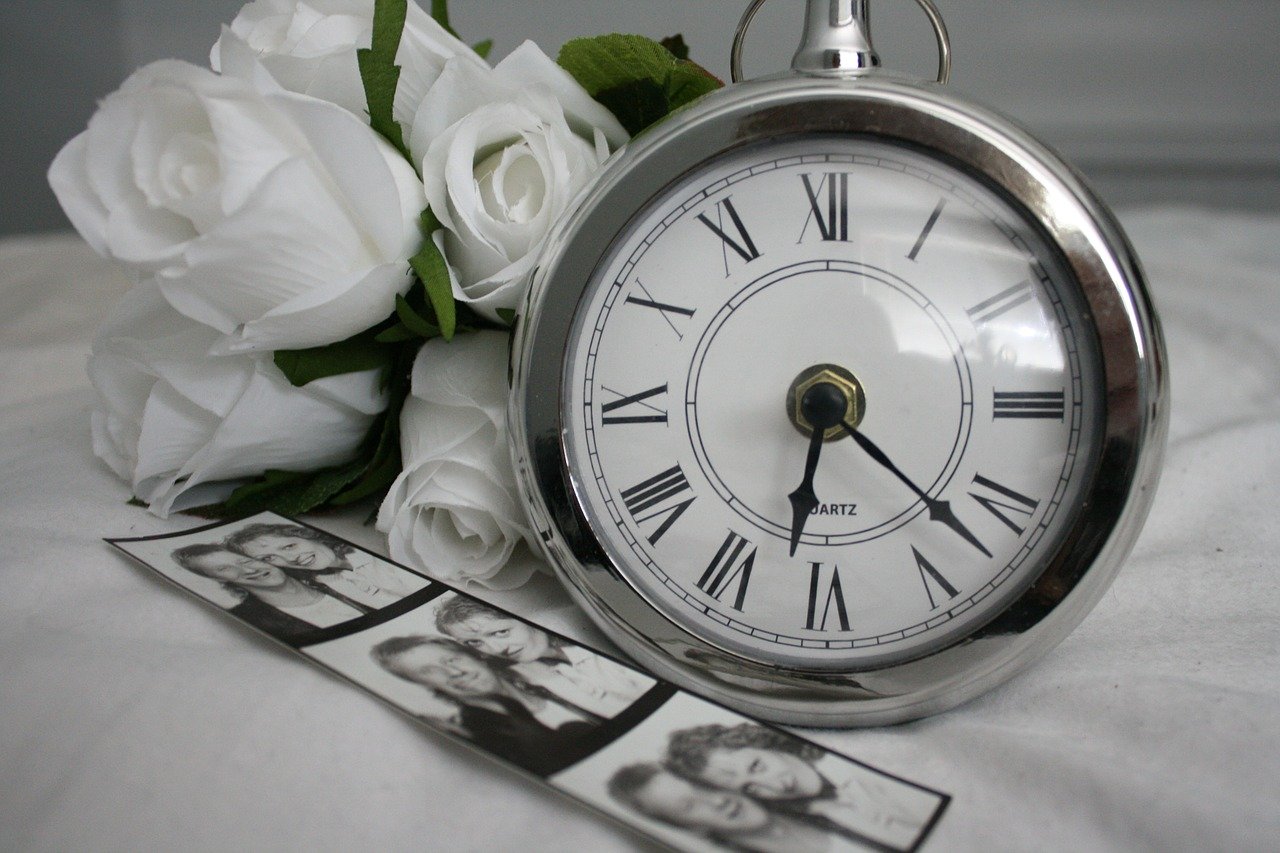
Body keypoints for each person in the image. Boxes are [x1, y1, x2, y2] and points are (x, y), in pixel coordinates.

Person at [665, 723, 929, 850]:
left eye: (757, 766)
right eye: (751, 789)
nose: (775, 785)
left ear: (762, 743)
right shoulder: (820, 817)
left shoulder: (867, 764)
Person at [371, 635, 609, 776]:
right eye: (429, 671)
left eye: (452, 659)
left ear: (475, 655)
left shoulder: (553, 675)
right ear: (421, 684)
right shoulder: (484, 736)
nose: (454, 671)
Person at [434, 597, 653, 718]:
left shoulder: (589, 638)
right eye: (474, 642)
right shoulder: (529, 677)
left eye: (501, 632)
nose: (497, 649)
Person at [607, 763, 836, 853]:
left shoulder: (831, 805)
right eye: (689, 806)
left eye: (701, 787)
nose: (717, 801)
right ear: (690, 828)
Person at [172, 544, 369, 641]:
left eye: (245, 561)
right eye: (224, 569)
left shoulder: (339, 579)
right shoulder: (249, 621)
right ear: (216, 579)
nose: (248, 570)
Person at [226, 523, 429, 609]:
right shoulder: (325, 584)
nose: (291, 558)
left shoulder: (378, 557)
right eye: (269, 558)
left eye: (289, 546)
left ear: (304, 535)